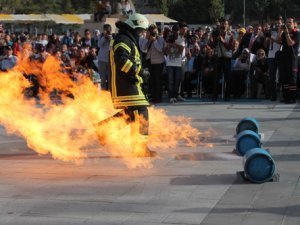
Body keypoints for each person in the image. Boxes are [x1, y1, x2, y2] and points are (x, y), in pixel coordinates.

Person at [107, 13, 156, 157]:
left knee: (132, 114)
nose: (141, 34)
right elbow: (121, 59)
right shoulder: (123, 39)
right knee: (141, 113)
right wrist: (140, 71)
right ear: (134, 27)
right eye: (140, 31)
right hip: (126, 85)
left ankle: (104, 129)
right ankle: (139, 149)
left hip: (129, 83)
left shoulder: (127, 39)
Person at [277, 17, 300, 104]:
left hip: (292, 58)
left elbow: (291, 43)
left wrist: (286, 33)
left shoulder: (297, 33)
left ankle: (292, 98)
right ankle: (286, 97)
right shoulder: (284, 33)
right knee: (284, 79)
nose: (288, 24)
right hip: (284, 58)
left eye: (290, 22)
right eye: (287, 22)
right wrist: (280, 30)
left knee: (292, 79)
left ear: (294, 24)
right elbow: (279, 40)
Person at [98, 24, 113, 90]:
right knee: (103, 79)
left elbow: (113, 46)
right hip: (102, 60)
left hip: (110, 60)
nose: (106, 32)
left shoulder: (113, 36)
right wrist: (104, 37)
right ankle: (103, 93)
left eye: (108, 30)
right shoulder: (101, 36)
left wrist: (110, 39)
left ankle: (110, 92)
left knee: (110, 79)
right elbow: (99, 45)